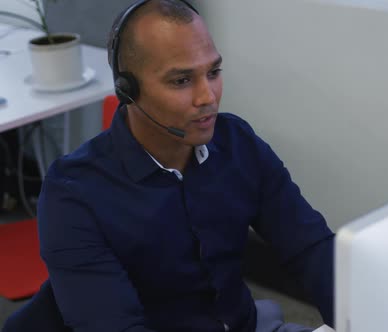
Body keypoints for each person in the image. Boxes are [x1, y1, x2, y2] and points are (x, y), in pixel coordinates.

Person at [36, 1, 335, 331]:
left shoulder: (237, 142)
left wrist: (360, 312)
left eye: (213, 72)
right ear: (128, 90)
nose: (207, 96)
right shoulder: (74, 193)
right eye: (181, 80)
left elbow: (311, 249)